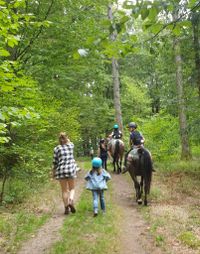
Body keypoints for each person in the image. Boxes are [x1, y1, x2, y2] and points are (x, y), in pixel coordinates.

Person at [52, 132, 77, 215]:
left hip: (61, 170)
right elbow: (69, 141)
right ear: (66, 138)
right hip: (70, 170)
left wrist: (53, 173)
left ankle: (66, 207)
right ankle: (71, 200)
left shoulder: (56, 149)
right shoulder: (71, 145)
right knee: (72, 189)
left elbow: (55, 163)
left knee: (64, 190)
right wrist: (66, 139)